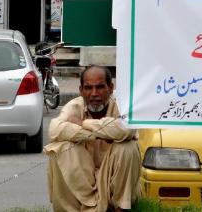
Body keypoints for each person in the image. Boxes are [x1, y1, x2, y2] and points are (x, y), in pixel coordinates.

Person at [45, 65, 140, 212]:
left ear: (110, 87)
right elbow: (54, 129)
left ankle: (120, 208)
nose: (94, 93)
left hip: (110, 180)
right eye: (88, 88)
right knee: (59, 148)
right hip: (83, 178)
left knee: (127, 147)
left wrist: (83, 123)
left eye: (100, 87)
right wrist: (99, 134)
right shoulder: (74, 106)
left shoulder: (122, 104)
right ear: (81, 90)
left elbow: (127, 129)